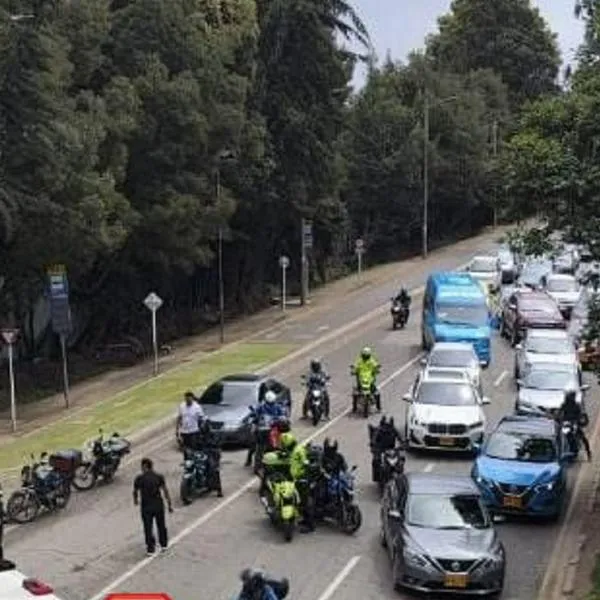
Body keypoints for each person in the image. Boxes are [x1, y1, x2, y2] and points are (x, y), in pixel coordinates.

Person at [133, 458, 173, 555]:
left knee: (148, 527)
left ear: (144, 466)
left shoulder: (139, 478)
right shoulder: (159, 477)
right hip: (158, 504)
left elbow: (135, 491)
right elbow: (165, 490)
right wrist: (169, 504)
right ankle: (164, 544)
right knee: (161, 525)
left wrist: (135, 500)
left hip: (146, 506)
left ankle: (150, 548)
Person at [245, 391, 287, 467]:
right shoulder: (261, 406)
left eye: (272, 402)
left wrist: (282, 418)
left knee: (282, 442)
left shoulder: (277, 407)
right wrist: (253, 417)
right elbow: (254, 414)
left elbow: (283, 415)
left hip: (273, 428)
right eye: (269, 402)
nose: (270, 404)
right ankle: (249, 460)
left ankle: (283, 458)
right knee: (254, 443)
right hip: (262, 429)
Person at [558, 389, 592, 460]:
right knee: (559, 435)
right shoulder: (564, 405)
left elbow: (580, 414)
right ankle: (560, 452)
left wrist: (578, 421)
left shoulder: (576, 405)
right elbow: (560, 413)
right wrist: (560, 419)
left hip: (574, 423)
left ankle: (588, 453)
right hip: (566, 423)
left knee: (583, 438)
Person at [196, 420, 223, 497]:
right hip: (204, 453)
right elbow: (196, 443)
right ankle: (207, 485)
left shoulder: (213, 434)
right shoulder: (200, 435)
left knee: (214, 470)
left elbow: (216, 443)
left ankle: (219, 489)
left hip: (213, 453)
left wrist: (209, 444)